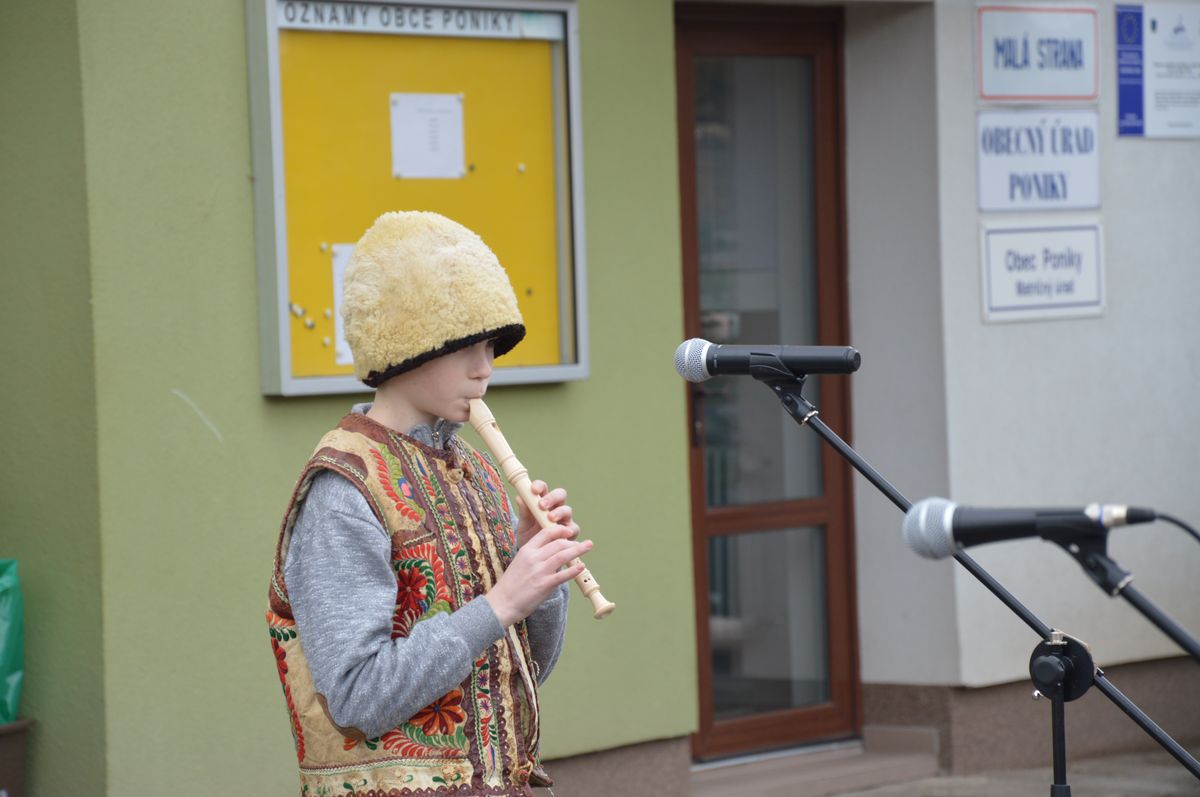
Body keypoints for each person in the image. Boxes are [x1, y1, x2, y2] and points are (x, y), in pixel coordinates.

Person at [266, 211, 592, 796]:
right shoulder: (344, 489)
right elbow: (357, 698)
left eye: (490, 346)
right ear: (408, 345)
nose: (485, 369)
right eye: (466, 346)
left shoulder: (476, 471)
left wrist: (536, 577)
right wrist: (500, 603)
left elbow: (522, 675)